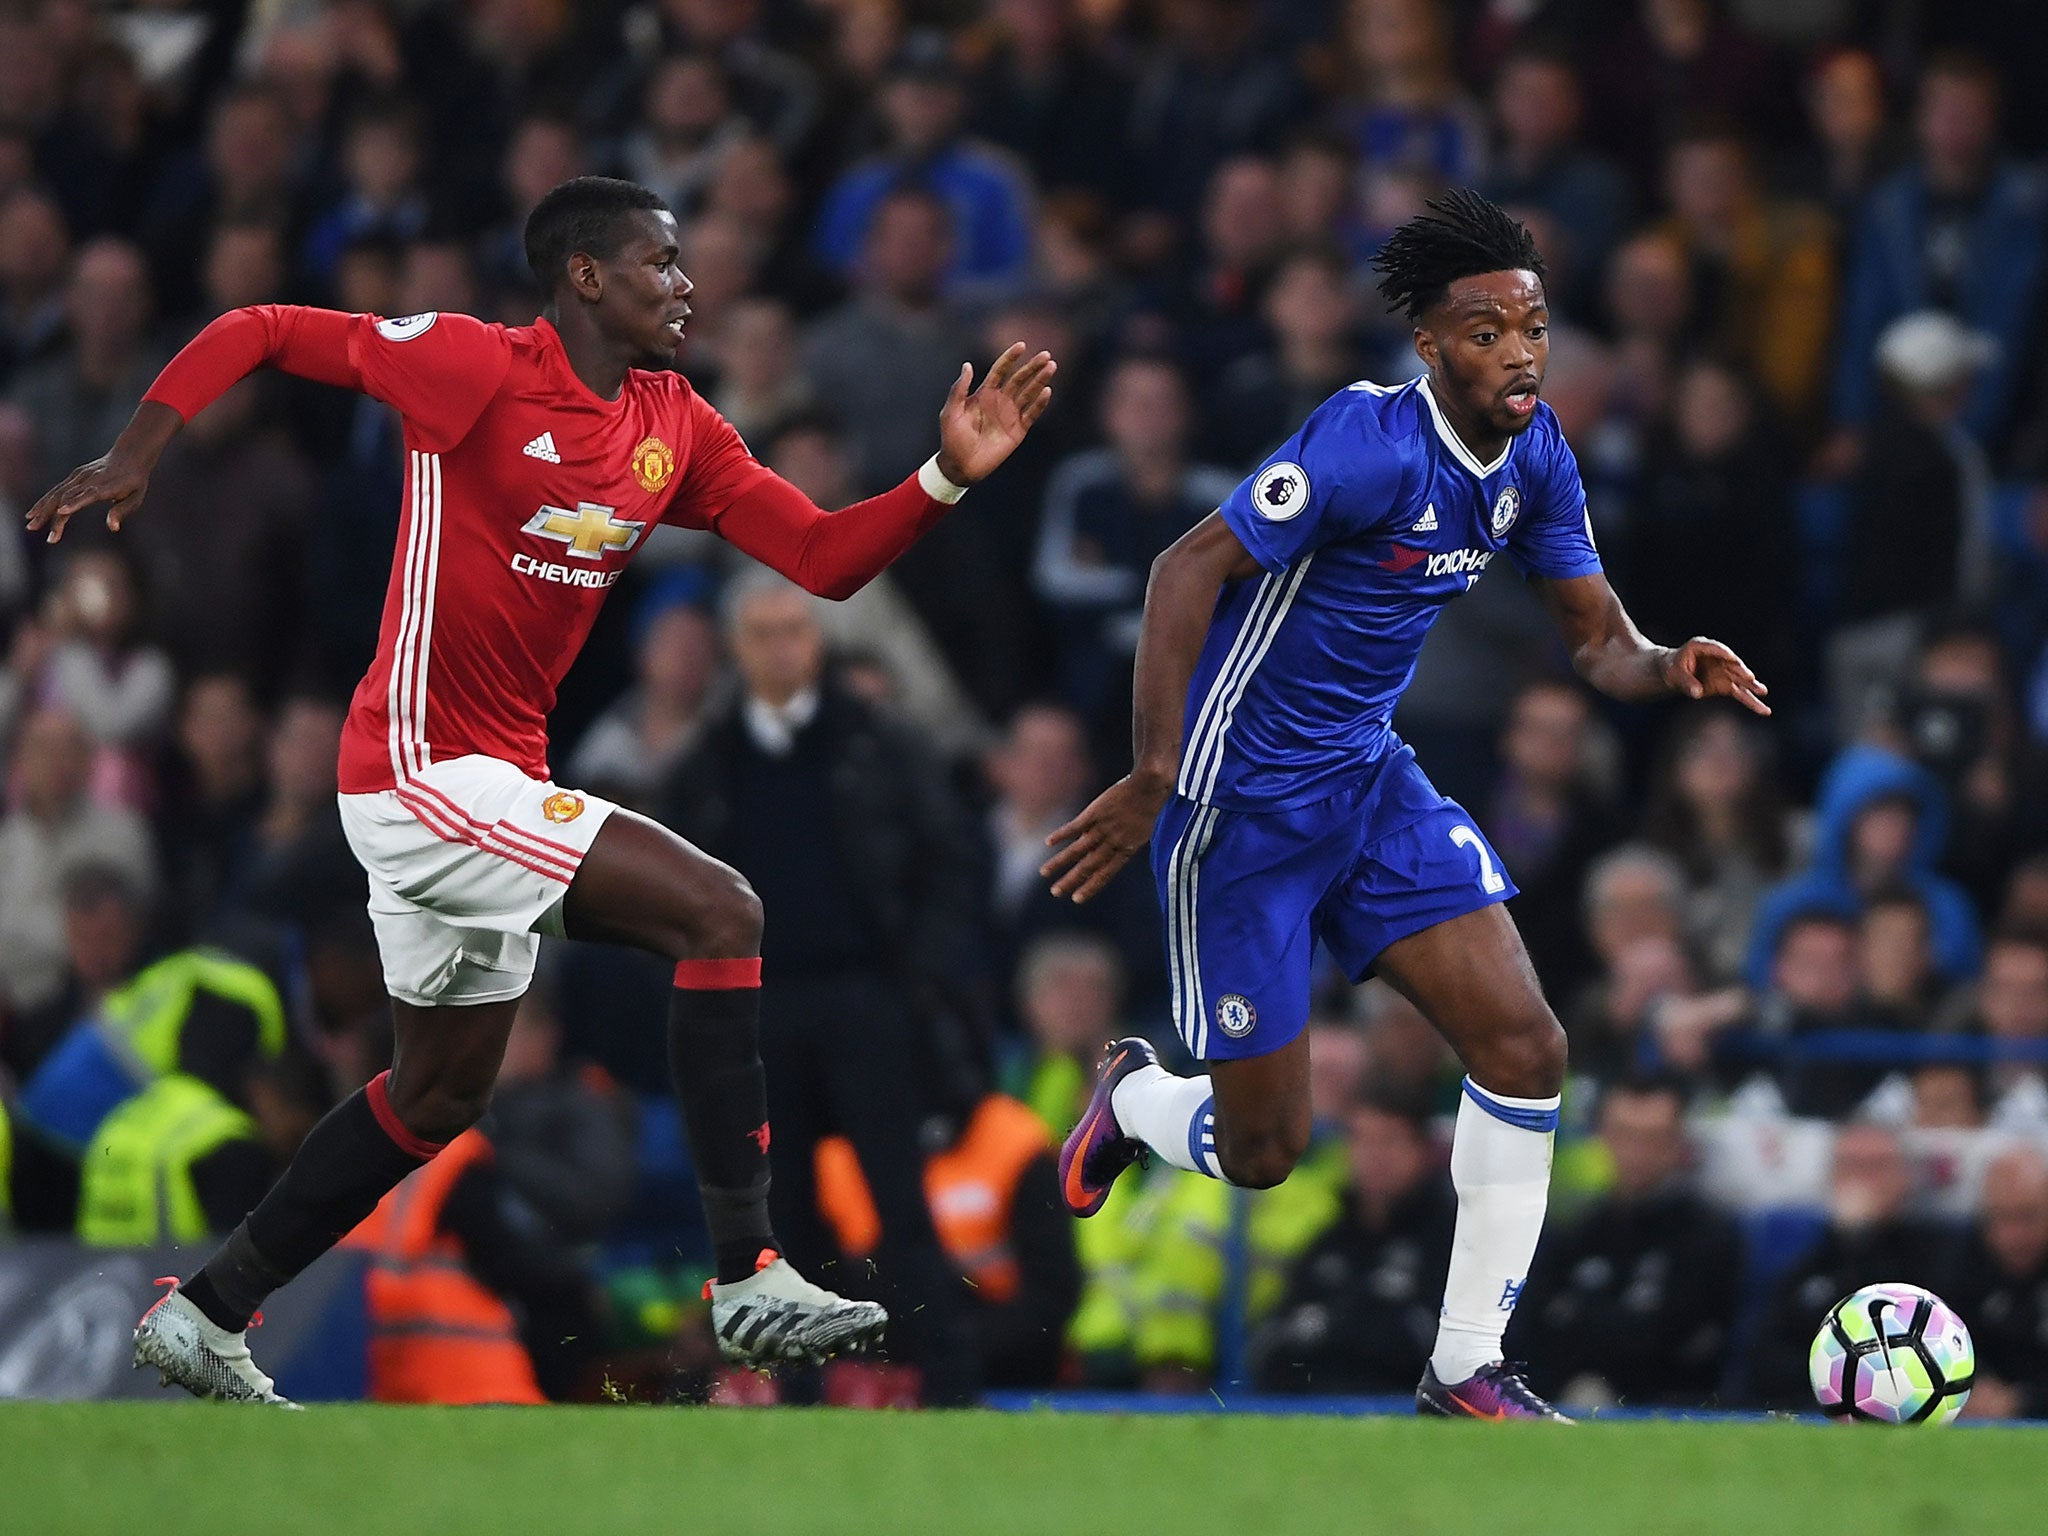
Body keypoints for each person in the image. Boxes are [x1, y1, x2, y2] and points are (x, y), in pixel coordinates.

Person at [28, 173, 1055, 1406]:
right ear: (584, 275)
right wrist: (138, 449)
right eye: (659, 264)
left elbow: (823, 561)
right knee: (719, 912)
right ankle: (748, 1275)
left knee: (439, 1091)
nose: (685, 286)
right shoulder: (469, 366)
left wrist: (942, 476)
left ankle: (207, 1312)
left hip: (490, 780)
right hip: (416, 768)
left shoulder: (677, 423)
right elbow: (262, 327)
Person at [1043, 189, 1768, 1421]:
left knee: (1528, 1047)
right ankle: (1135, 1098)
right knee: (1265, 1153)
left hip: (1370, 783)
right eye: (1484, 332)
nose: (1517, 352)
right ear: (1429, 346)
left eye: (1530, 327)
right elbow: (1184, 568)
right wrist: (1154, 773)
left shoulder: (1536, 453)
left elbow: (1594, 641)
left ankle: (1462, 1371)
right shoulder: (1363, 439)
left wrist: (1663, 664)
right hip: (1239, 810)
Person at [1519, 1074, 1741, 1409]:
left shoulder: (1708, 1235)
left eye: (1653, 1138)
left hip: (1668, 1409)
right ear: (1602, 1136)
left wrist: (1584, 1321)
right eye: (1624, 1135)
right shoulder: (1576, 1231)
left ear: (1678, 1143)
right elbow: (1534, 1333)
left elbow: (1674, 1344)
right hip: (1562, 1398)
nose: (1636, 1152)